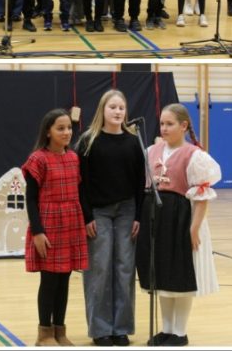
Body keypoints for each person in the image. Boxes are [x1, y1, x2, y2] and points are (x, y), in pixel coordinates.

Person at [136, 104, 221, 347]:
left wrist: (194, 228)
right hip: (156, 217)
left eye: (170, 124)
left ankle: (180, 332)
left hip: (181, 218)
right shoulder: (152, 151)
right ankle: (166, 329)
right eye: (162, 123)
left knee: (180, 275)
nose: (164, 128)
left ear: (183, 126)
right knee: (161, 275)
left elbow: (202, 196)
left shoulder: (194, 155)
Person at [78, 90, 146, 347]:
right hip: (99, 211)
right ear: (102, 110)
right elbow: (80, 183)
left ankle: (121, 328)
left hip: (127, 210)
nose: (118, 112)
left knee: (124, 269)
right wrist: (87, 216)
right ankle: (100, 329)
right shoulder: (88, 140)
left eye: (121, 107)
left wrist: (138, 215)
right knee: (99, 269)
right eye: (112, 107)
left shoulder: (133, 141)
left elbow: (140, 182)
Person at [23, 109, 88, 346]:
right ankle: (44, 334)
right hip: (48, 225)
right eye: (60, 128)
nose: (66, 132)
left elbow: (80, 192)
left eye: (69, 128)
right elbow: (31, 199)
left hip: (71, 223)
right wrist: (38, 232)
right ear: (48, 132)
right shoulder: (37, 160)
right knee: (49, 281)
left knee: (64, 280)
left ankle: (60, 330)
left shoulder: (73, 158)